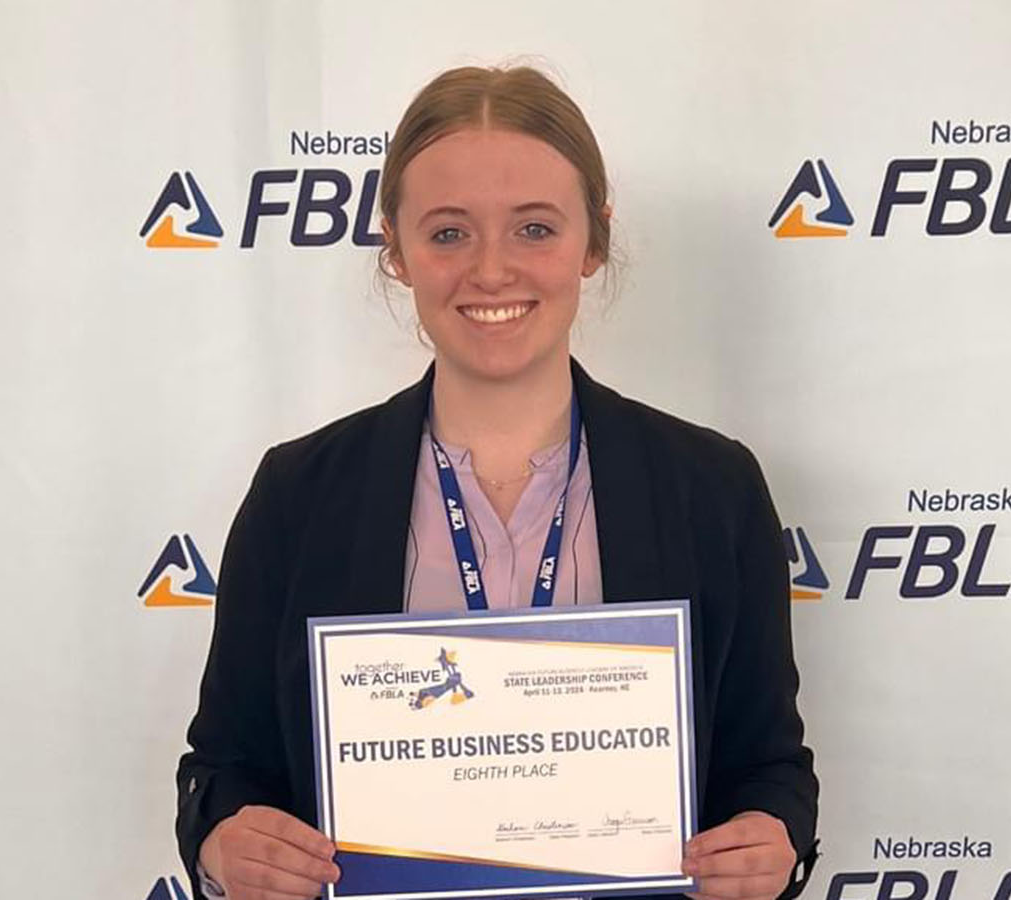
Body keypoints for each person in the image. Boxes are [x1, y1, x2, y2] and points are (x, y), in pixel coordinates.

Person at [174, 64, 819, 900]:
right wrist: (228, 846)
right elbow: (224, 766)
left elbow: (770, 767)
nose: (490, 271)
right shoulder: (299, 493)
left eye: (534, 229)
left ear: (594, 241)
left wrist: (772, 842)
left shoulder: (712, 488)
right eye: (448, 233)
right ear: (396, 251)